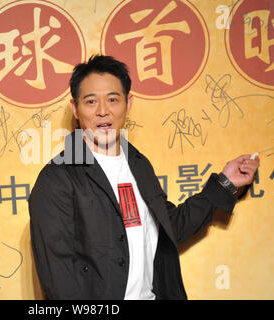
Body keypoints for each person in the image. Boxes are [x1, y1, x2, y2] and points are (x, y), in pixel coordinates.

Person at [28, 55, 260, 300]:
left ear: (128, 103)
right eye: (91, 101)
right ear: (75, 108)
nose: (103, 111)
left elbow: (170, 227)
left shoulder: (138, 164)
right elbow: (59, 281)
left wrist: (225, 183)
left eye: (113, 99)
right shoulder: (57, 178)